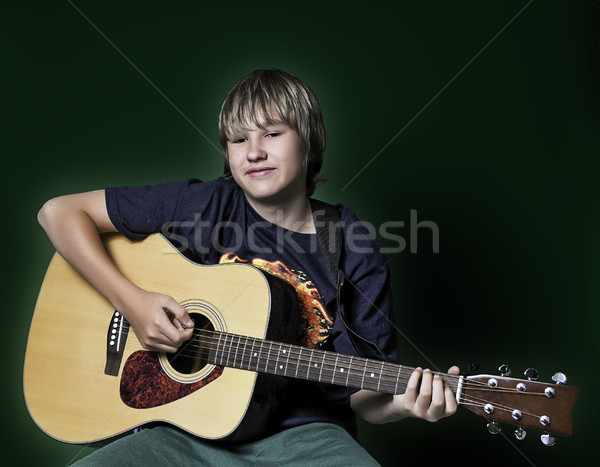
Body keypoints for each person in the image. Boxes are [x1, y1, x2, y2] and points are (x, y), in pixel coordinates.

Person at [38, 68, 459, 465]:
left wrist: (402, 404)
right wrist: (133, 303)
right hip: (183, 430)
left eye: (272, 134)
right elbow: (58, 213)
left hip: (306, 437)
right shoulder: (203, 204)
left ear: (308, 142)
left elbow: (364, 397)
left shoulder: (353, 246)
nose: (254, 152)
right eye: (238, 140)